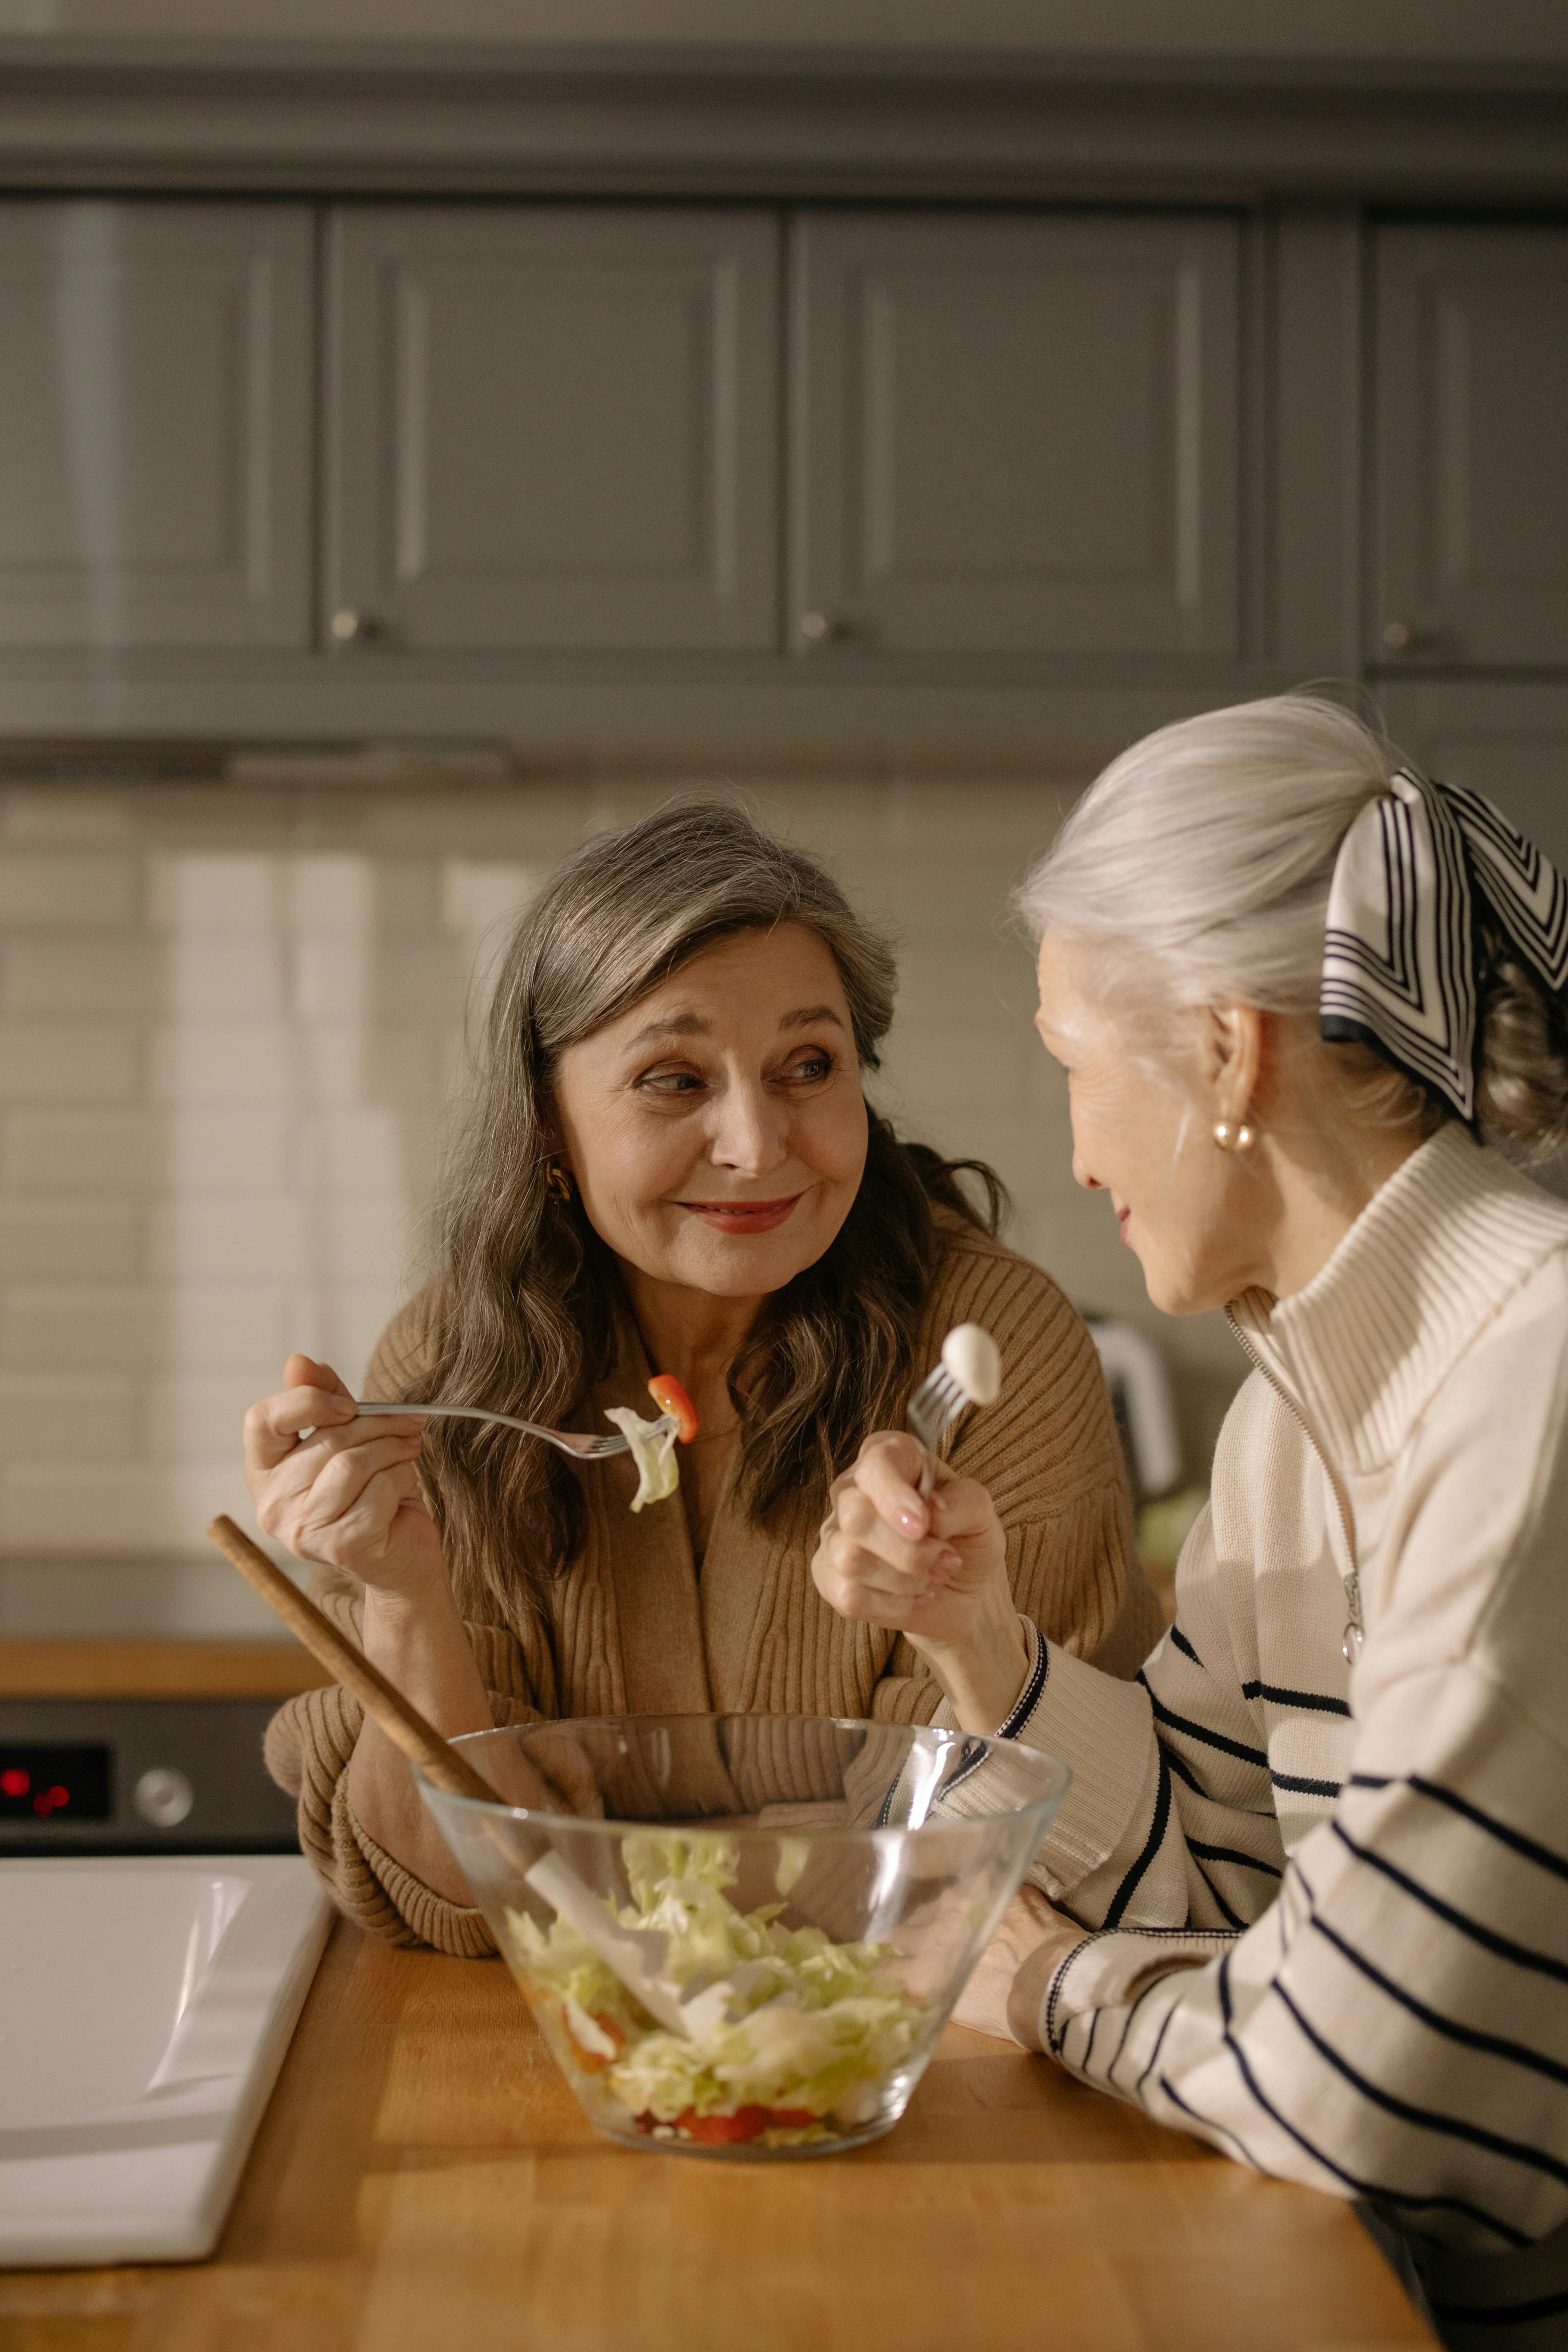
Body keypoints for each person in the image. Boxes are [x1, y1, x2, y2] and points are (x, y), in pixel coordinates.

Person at [814, 695, 1568, 2349]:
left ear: (1227, 1053)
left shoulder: (1534, 1398)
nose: (1075, 1153)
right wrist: (975, 1632)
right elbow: (1223, 1879)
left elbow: (1352, 2087)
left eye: (1077, 1068)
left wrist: (1038, 1984)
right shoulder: (1296, 1416)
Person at [251, 803, 1162, 1956]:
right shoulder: (448, 1373)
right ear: (544, 1118)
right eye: (674, 1080)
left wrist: (573, 1836)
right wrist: (404, 1597)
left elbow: (998, 1838)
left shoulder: (986, 1351)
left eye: (808, 1066)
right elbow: (456, 1885)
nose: (755, 1141)